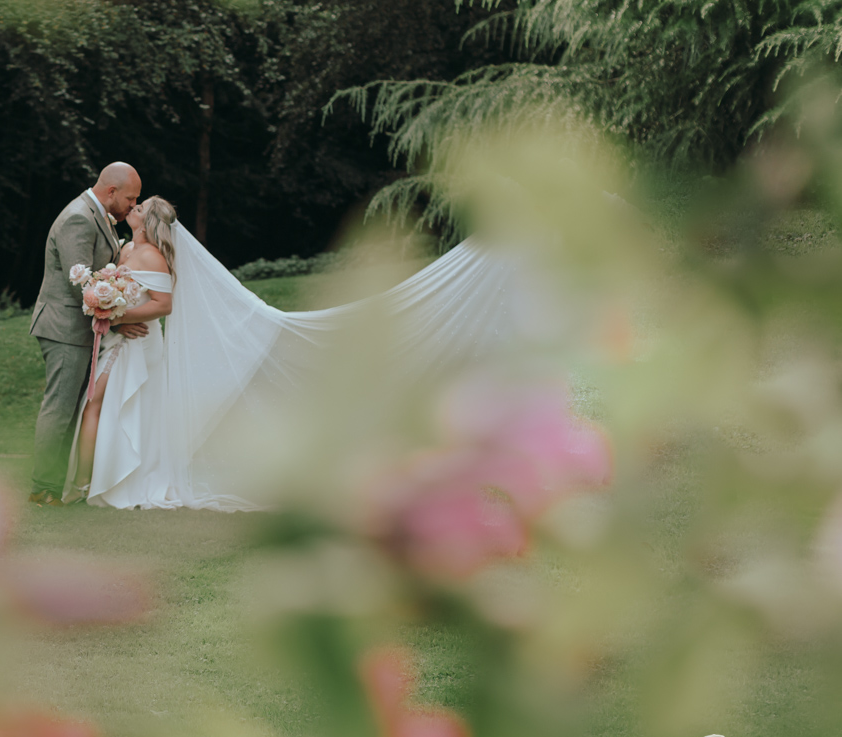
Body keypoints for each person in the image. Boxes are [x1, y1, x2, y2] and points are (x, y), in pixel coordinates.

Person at [64, 199, 538, 511]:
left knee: (109, 406)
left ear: (150, 221)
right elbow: (129, 293)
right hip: (122, 339)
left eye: (141, 206)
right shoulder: (126, 248)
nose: (135, 206)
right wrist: (105, 302)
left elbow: (163, 302)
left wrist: (116, 311)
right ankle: (93, 482)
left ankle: (93, 485)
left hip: (136, 342)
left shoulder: (149, 256)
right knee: (106, 407)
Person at [28, 162, 145, 505]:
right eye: (130, 198)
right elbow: (82, 282)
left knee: (70, 407)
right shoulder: (79, 217)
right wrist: (121, 321)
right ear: (111, 192)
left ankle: (56, 484)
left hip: (82, 328)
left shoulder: (100, 216)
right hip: (64, 328)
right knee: (60, 407)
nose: (132, 206)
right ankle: (42, 488)